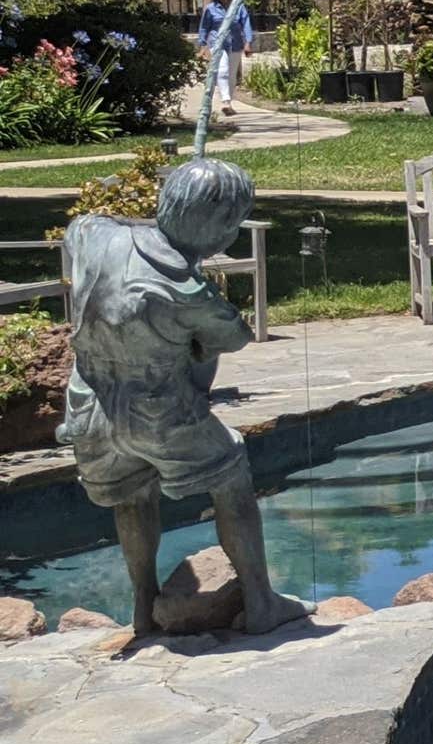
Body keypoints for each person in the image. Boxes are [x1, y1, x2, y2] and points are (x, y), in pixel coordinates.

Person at [61, 157, 302, 635]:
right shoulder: (189, 292)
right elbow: (233, 338)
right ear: (220, 231)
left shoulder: (95, 237)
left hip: (89, 407)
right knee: (231, 474)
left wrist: (150, 234)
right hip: (157, 414)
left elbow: (79, 227)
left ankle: (143, 604)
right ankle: (260, 602)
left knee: (132, 495)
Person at [197, 0, 251, 110]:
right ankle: (226, 100)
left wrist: (248, 42)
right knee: (222, 71)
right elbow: (204, 27)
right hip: (217, 43)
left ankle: (229, 103)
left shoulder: (238, 7)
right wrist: (203, 45)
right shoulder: (211, 9)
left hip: (235, 43)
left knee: (232, 76)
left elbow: (246, 24)